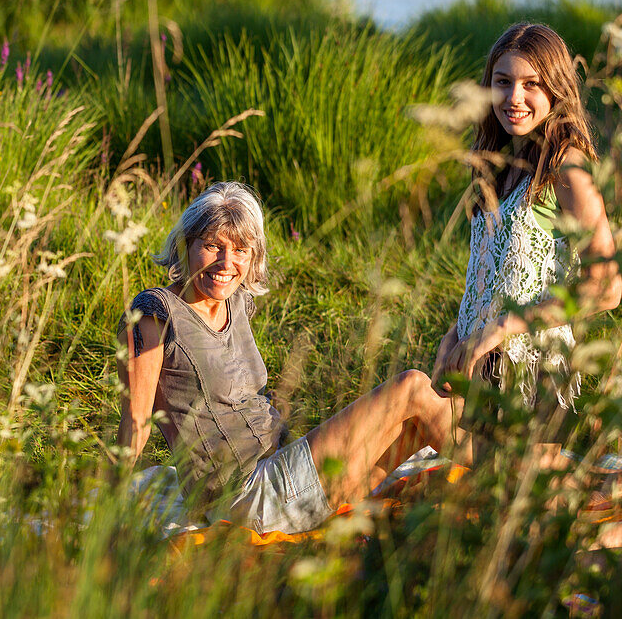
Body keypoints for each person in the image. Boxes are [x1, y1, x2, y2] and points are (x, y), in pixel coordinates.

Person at [116, 181, 469, 535]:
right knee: (411, 387)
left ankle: (506, 471)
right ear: (185, 244)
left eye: (240, 250)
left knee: (417, 422)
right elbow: (136, 423)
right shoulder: (154, 315)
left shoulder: (235, 301)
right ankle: (507, 478)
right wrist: (108, 516)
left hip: (284, 463)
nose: (226, 263)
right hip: (248, 495)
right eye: (212, 246)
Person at [432, 22, 622, 459]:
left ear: (556, 90)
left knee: (529, 518)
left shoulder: (567, 165)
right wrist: (454, 335)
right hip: (485, 366)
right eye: (503, 82)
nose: (514, 98)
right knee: (487, 513)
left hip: (534, 372)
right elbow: (495, 279)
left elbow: (607, 287)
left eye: (531, 84)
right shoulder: (501, 163)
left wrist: (506, 326)